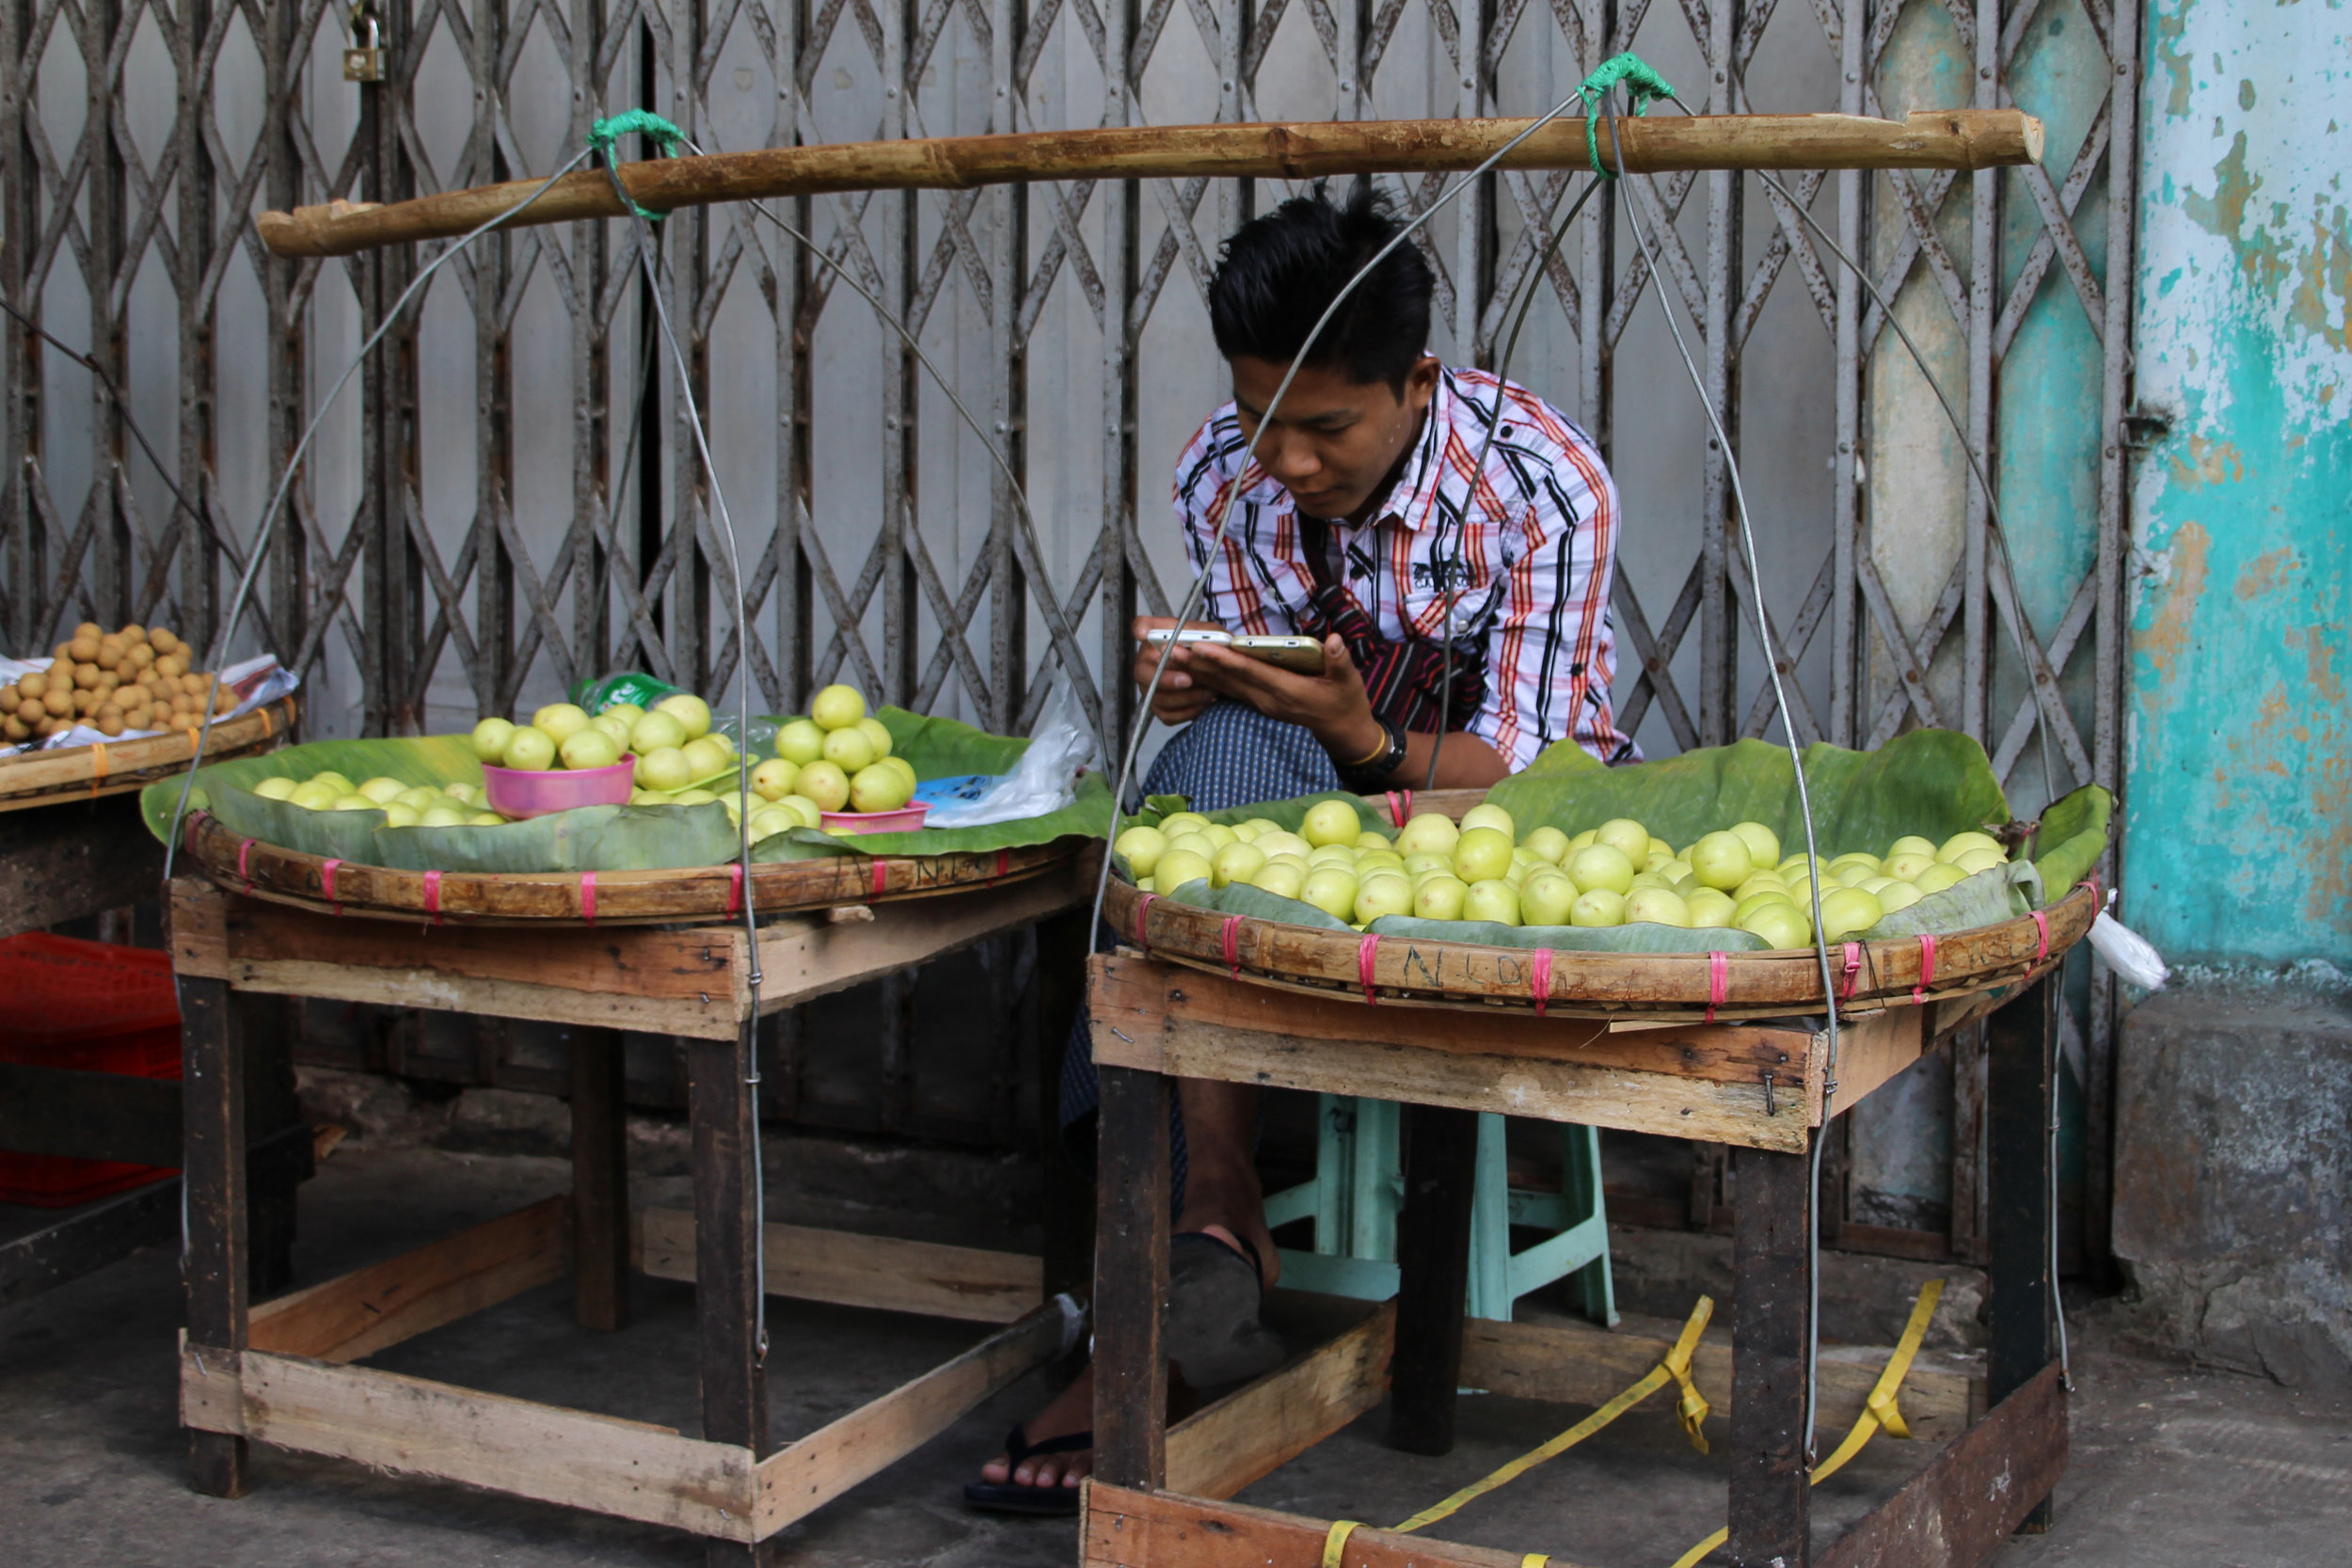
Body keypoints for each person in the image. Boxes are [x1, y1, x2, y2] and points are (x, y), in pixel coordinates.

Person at [965, 179, 1634, 1514]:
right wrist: (1210, 685)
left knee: (1224, 798)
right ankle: (1201, 1223)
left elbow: (1520, 773)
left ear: (1416, 383)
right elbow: (1269, 722)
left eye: (1325, 428)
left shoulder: (1540, 489)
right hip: (1310, 795)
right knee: (1185, 796)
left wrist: (1365, 738)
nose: (1287, 463)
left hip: (1505, 818)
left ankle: (1173, 1280)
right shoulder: (1227, 470)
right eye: (1264, 419)